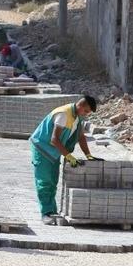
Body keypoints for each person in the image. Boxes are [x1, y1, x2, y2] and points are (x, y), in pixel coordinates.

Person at [29, 95, 101, 225]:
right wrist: (68, 155)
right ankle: (45, 213)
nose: (86, 114)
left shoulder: (77, 117)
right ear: (80, 106)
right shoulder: (64, 114)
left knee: (53, 180)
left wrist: (88, 155)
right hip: (42, 147)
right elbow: (54, 139)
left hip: (54, 150)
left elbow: (81, 137)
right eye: (86, 111)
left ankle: (52, 211)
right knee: (44, 181)